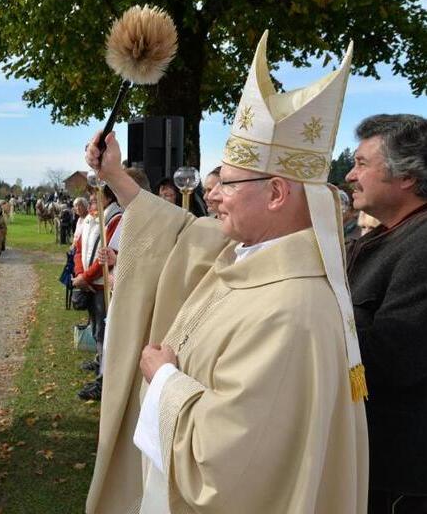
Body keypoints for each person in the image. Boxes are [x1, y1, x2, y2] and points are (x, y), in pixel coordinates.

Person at [85, 31, 367, 514]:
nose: (215, 196)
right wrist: (115, 176)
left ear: (277, 193)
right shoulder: (246, 256)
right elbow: (181, 238)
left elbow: (227, 464)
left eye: (229, 184)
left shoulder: (288, 312)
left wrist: (165, 377)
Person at [344, 114, 427, 514]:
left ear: (407, 175)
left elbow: (393, 358)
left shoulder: (422, 244)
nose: (349, 175)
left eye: (361, 163)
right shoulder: (382, 235)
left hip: (400, 480)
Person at [72, 188, 122, 401]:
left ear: (108, 196)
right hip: (90, 282)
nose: (92, 200)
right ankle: (100, 367)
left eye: (96, 196)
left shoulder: (115, 218)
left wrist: (86, 278)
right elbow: (80, 248)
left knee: (104, 333)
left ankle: (104, 380)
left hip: (101, 285)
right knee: (96, 329)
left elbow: (106, 254)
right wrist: (80, 273)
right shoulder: (92, 219)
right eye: (91, 196)